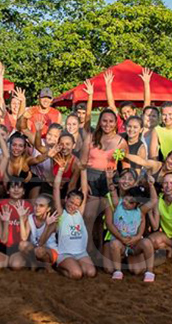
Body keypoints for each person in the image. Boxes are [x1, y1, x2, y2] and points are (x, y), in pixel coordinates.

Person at [82, 109, 128, 254]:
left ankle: (103, 248)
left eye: (111, 121)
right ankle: (88, 248)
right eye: (104, 120)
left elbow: (126, 165)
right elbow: (82, 162)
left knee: (106, 219)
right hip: (91, 178)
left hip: (110, 180)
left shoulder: (121, 142)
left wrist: (124, 185)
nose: (107, 124)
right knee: (89, 216)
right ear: (100, 122)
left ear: (115, 123)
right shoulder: (91, 138)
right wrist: (84, 184)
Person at [103, 184, 158, 282]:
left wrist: (150, 184)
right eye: (125, 199)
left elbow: (153, 201)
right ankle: (118, 271)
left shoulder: (140, 211)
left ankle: (150, 272)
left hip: (134, 244)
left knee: (147, 243)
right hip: (120, 242)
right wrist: (111, 186)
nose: (126, 202)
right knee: (115, 245)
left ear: (137, 204)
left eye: (131, 202)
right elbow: (113, 193)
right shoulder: (118, 205)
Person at [51, 163, 96, 279]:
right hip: (65, 254)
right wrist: (61, 170)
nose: (73, 206)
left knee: (91, 273)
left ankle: (76, 265)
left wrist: (83, 170)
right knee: (77, 274)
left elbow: (84, 190)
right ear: (66, 199)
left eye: (77, 204)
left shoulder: (79, 213)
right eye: (71, 202)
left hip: (81, 253)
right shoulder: (62, 213)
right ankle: (59, 267)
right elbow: (56, 189)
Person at [0, 179, 33, 270]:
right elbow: (2, 237)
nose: (16, 190)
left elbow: (25, 237)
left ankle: (20, 260)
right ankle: (5, 259)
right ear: (7, 191)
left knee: (16, 265)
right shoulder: (0, 205)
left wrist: (21, 217)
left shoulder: (28, 206)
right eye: (12, 187)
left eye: (19, 187)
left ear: (23, 191)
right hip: (3, 244)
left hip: (18, 245)